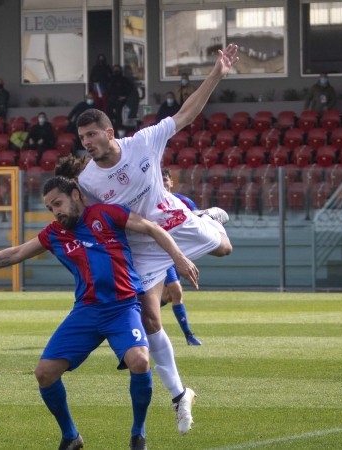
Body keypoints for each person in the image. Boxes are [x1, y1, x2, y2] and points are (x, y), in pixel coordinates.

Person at [56, 43, 239, 436]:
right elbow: (92, 218)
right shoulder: (87, 180)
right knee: (151, 313)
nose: (86, 142)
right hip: (140, 244)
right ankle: (179, 394)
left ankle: (206, 215)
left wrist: (217, 75)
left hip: (173, 219)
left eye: (91, 134)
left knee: (225, 248)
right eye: (81, 137)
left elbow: (187, 113)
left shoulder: (144, 141)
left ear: (108, 132)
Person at [0, 176, 199, 450]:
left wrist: (178, 257)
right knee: (44, 373)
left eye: (58, 203)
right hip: (86, 312)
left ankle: (138, 435)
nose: (56, 211)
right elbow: (16, 253)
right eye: (50, 207)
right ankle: (71, 436)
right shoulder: (55, 233)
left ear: (76, 195)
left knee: (139, 361)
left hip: (123, 306)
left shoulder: (104, 214)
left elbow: (151, 228)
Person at [160, 169, 202, 346]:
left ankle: (134, 312)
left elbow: (199, 220)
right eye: (159, 179)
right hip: (158, 253)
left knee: (168, 296)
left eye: (165, 179)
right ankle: (189, 335)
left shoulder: (183, 201)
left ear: (171, 182)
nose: (162, 183)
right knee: (176, 291)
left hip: (177, 255)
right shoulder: (149, 202)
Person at [105, 64, 136, 130]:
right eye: (115, 69)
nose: (116, 71)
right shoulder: (111, 80)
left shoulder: (124, 80)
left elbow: (129, 89)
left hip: (121, 99)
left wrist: (125, 96)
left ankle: (119, 126)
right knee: (108, 109)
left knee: (118, 110)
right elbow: (108, 90)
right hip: (113, 98)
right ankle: (111, 124)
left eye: (117, 69)